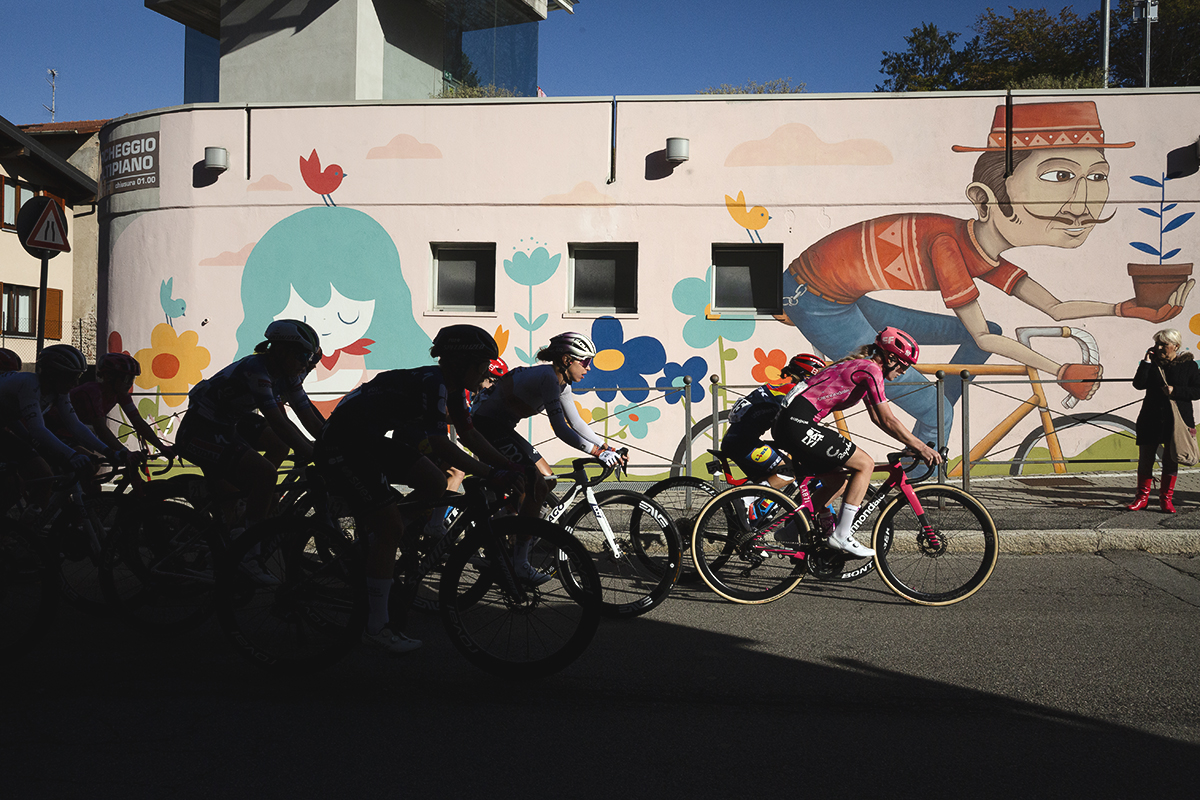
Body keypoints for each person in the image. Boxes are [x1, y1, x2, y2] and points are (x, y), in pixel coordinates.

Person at [780, 100, 1190, 445]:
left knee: (952, 380)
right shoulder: (948, 247)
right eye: (1059, 177)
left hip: (848, 297)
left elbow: (1057, 307)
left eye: (1097, 176)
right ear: (985, 199)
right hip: (813, 300)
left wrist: (1128, 309)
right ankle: (923, 474)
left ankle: (936, 413)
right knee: (937, 405)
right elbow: (984, 338)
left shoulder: (982, 250)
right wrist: (1059, 370)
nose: (1082, 201)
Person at [313, 324, 521, 654]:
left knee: (435, 482)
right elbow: (442, 445)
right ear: (458, 364)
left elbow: (469, 436)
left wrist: (509, 467)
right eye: (481, 365)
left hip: (368, 440)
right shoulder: (435, 383)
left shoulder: (450, 387)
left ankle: (376, 541)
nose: (485, 373)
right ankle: (377, 626)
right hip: (343, 445)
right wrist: (489, 472)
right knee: (391, 526)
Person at [772, 327, 942, 559]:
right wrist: (921, 446)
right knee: (865, 464)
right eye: (903, 364)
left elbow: (877, 418)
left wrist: (912, 444)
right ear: (890, 357)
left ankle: (792, 530)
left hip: (790, 424)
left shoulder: (863, 368)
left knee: (839, 480)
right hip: (798, 424)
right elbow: (887, 419)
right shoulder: (870, 369)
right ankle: (841, 535)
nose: (904, 370)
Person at [175, 319, 326, 545]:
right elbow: (279, 422)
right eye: (303, 356)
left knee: (275, 462)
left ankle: (242, 511)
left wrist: (334, 444)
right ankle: (247, 550)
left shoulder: (288, 375)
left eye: (310, 358)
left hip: (228, 424)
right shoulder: (257, 370)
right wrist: (313, 452)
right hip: (200, 428)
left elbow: (310, 419)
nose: (307, 364)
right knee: (266, 475)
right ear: (281, 351)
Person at [472, 332, 625, 519]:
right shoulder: (548, 378)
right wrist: (597, 452)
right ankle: (513, 531)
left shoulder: (562, 385)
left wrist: (604, 446)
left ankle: (505, 521)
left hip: (501, 427)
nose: (589, 368)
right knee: (533, 482)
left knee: (547, 480)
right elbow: (561, 428)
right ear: (567, 360)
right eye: (585, 362)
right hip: (485, 424)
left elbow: (576, 422)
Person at [0, 345, 117, 508]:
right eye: (72, 377)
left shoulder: (58, 390)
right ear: (54, 375)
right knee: (28, 479)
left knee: (43, 477)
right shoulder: (28, 384)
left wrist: (108, 451)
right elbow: (37, 430)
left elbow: (75, 425)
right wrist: (72, 455)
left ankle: (28, 527)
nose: (76, 383)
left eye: (79, 376)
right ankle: (12, 529)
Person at [721, 352, 825, 494]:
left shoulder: (779, 388)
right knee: (789, 472)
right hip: (744, 443)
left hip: (736, 440)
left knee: (767, 480)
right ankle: (748, 501)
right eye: (818, 378)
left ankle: (754, 511)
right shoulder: (793, 394)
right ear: (807, 376)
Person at [49, 352, 174, 464]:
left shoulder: (120, 394)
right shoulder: (92, 392)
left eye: (133, 379)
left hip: (78, 434)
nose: (130, 383)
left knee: (91, 476)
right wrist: (125, 452)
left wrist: (160, 446)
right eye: (126, 378)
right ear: (109, 377)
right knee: (89, 465)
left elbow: (138, 422)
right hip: (55, 432)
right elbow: (101, 429)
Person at [1128, 329, 1200, 513]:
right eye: (1157, 344)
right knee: (1145, 459)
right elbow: (1138, 384)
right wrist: (1145, 361)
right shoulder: (1152, 365)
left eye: (1163, 344)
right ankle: (1141, 498)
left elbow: (1197, 391)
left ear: (1175, 346)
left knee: (1170, 460)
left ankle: (1166, 499)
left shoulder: (1189, 366)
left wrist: (1175, 390)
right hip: (1150, 418)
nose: (1159, 348)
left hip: (1176, 421)